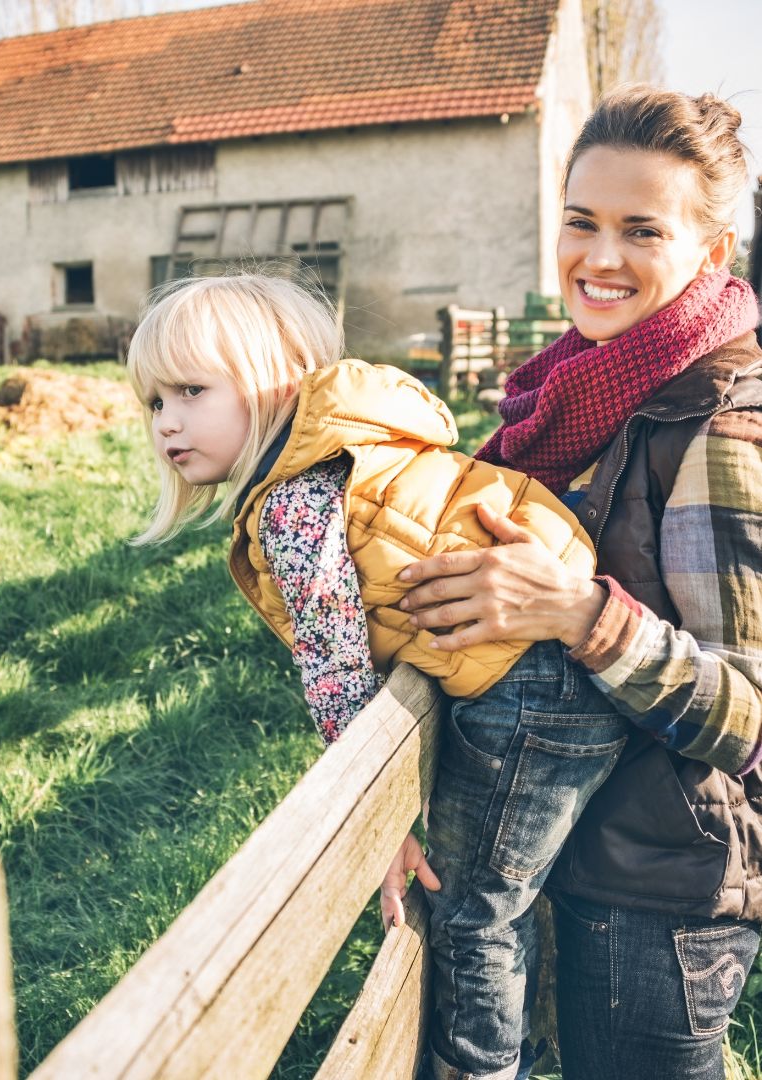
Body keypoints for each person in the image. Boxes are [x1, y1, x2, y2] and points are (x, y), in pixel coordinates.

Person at [125, 270, 630, 1080]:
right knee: (499, 900)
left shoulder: (293, 502)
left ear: (276, 379)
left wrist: (377, 815)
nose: (167, 423)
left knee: (473, 914)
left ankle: (483, 1070)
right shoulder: (365, 446)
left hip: (533, 693)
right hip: (552, 677)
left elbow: (334, 664)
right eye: (154, 401)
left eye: (191, 390)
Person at [397, 84, 762, 1079]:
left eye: (643, 230)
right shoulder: (573, 393)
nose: (600, 258)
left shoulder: (719, 427)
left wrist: (573, 610)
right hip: (572, 845)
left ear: (710, 252)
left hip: (663, 896)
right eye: (581, 222)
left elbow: (749, 719)